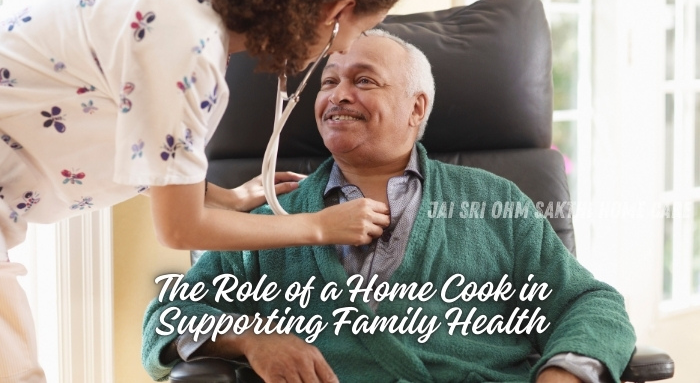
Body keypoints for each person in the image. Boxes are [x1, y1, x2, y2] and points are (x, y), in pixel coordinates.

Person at [0, 0, 401, 381]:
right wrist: (317, 227)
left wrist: (224, 199)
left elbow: (142, 143)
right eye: (358, 30)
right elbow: (180, 229)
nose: (345, 49)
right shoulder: (187, 45)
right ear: (335, 10)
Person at [141, 31, 637, 383]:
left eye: (364, 81)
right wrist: (250, 338)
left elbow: (589, 302)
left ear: (416, 108)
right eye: (329, 82)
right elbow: (165, 316)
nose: (337, 95)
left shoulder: (492, 201)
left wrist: (564, 372)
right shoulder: (270, 219)